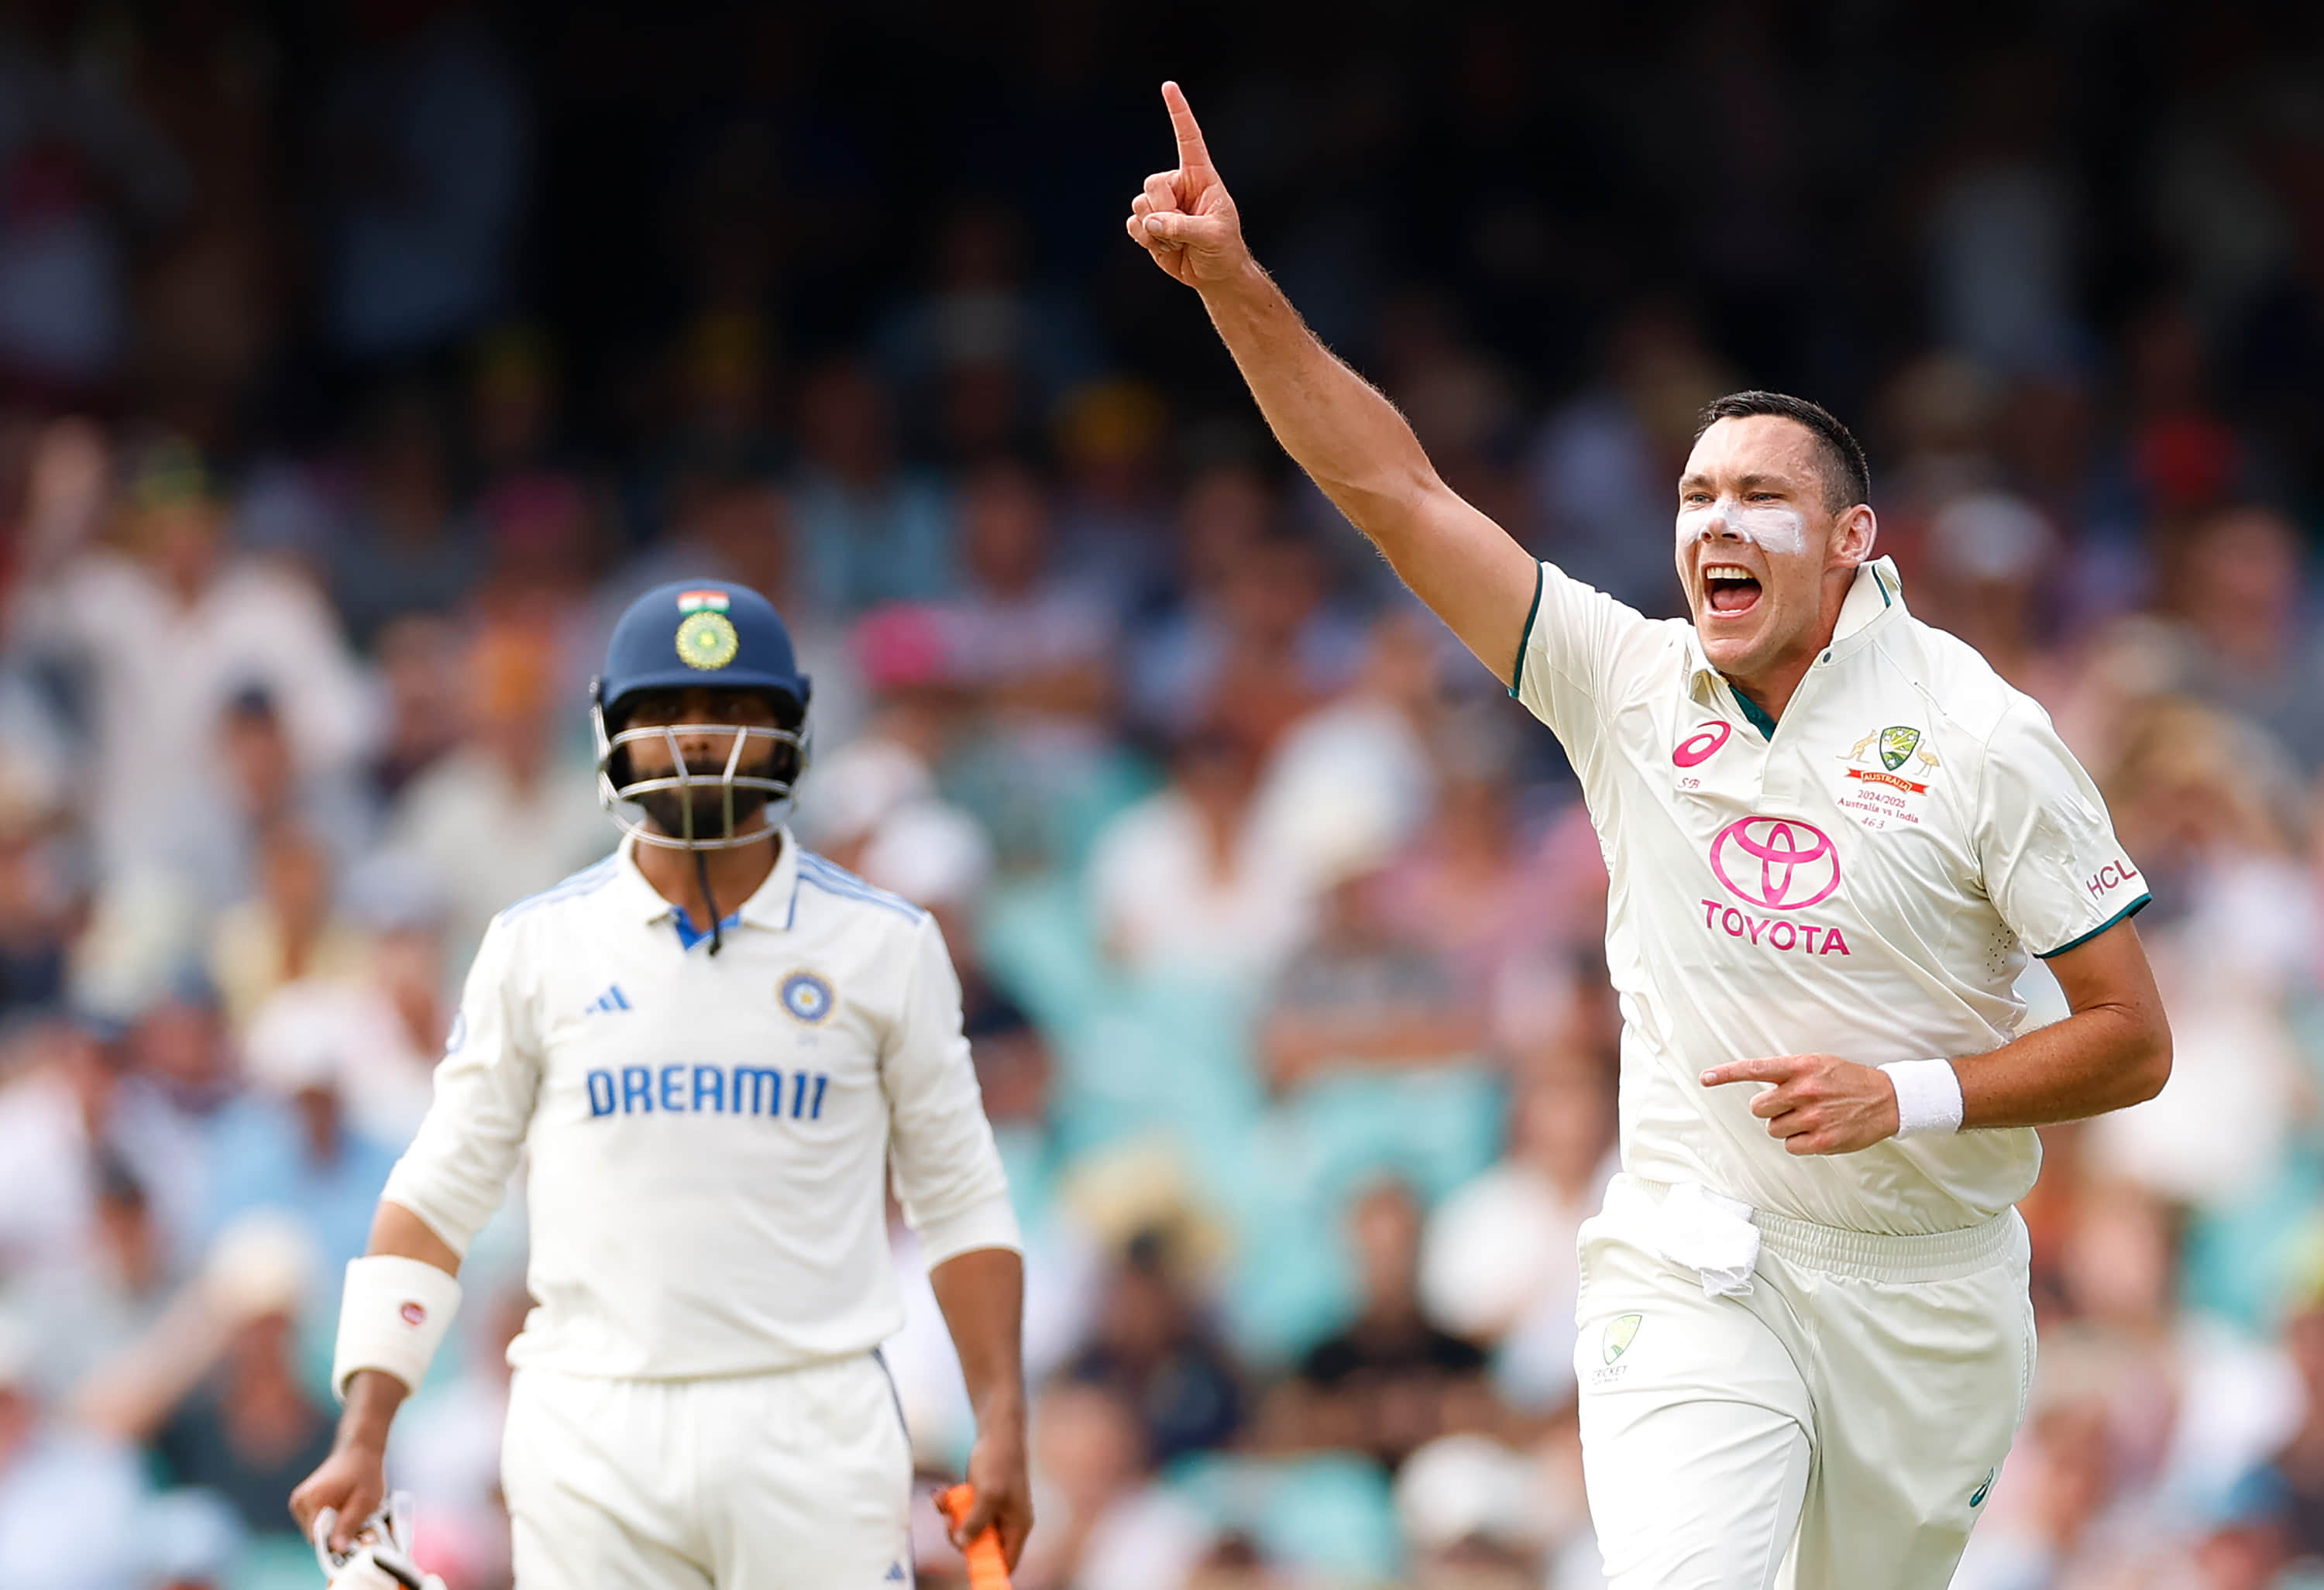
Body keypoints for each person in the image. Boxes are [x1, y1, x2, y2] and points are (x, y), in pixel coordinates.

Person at [1124, 82, 2171, 1590]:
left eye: (1760, 498)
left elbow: (2134, 1039)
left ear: (1854, 540)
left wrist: (1908, 1094)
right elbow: (1395, 492)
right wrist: (1233, 283)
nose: (1716, 526)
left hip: (1928, 1291)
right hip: (1696, 1251)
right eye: (1695, 498)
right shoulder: (1625, 680)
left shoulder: (1985, 737)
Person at [288, 580, 1033, 1586]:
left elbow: (959, 1198)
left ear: (789, 730)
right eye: (667, 710)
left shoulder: (883, 946)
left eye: (731, 708)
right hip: (594, 1425)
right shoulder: (535, 947)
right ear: (611, 733)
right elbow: (438, 1194)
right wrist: (365, 1427)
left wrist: (1002, 1423)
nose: (698, 736)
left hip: (812, 1420)